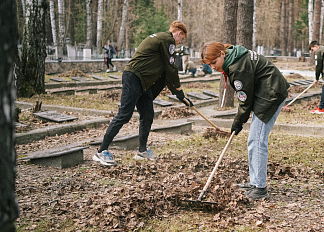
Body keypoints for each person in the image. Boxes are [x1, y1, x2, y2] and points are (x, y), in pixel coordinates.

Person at [93, 21, 193, 166]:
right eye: (181, 39)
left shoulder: (162, 40)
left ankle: (142, 151)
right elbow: (172, 68)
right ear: (178, 33)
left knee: (147, 114)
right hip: (134, 77)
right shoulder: (168, 39)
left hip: (144, 82)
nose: (179, 42)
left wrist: (180, 95)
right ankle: (101, 151)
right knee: (124, 114)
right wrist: (180, 92)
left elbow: (166, 71)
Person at [200, 42, 289, 200]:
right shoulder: (235, 57)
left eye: (214, 62)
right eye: (209, 64)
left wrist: (237, 122)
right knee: (253, 140)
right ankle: (255, 182)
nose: (213, 67)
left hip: (271, 94)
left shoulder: (237, 68)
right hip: (266, 91)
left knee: (257, 140)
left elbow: (245, 101)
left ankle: (260, 189)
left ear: (222, 53)